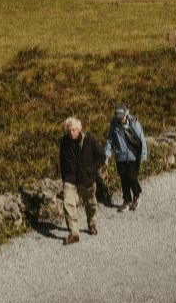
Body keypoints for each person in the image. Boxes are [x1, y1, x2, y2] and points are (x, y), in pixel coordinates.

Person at [59, 116, 105, 245]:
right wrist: (64, 176)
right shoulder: (64, 141)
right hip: (70, 178)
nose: (71, 132)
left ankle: (91, 223)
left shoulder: (90, 140)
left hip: (86, 178)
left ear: (79, 129)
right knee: (68, 203)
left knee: (91, 203)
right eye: (68, 130)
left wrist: (91, 169)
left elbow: (102, 157)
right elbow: (62, 159)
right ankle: (74, 233)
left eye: (73, 130)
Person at [104, 104, 147, 212]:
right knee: (123, 179)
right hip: (120, 157)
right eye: (119, 117)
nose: (121, 119)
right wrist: (106, 156)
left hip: (133, 155)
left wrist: (143, 154)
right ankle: (126, 200)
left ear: (127, 113)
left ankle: (136, 195)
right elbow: (110, 141)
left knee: (131, 176)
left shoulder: (134, 123)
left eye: (122, 116)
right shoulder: (114, 125)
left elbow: (142, 138)